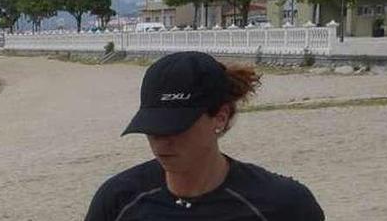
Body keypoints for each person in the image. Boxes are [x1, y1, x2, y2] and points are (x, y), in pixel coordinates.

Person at [84, 51, 324, 220]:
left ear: (220, 117)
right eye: (153, 127)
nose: (161, 141)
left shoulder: (284, 205)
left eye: (176, 126)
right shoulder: (117, 200)